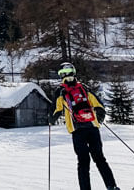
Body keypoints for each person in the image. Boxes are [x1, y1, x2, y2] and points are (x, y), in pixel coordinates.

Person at [50, 62, 121, 190]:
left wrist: (51, 119)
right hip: (92, 127)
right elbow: (99, 105)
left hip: (77, 130)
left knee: (83, 162)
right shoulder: (84, 88)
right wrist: (99, 118)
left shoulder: (60, 91)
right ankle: (112, 186)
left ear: (61, 75)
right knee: (100, 159)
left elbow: (56, 111)